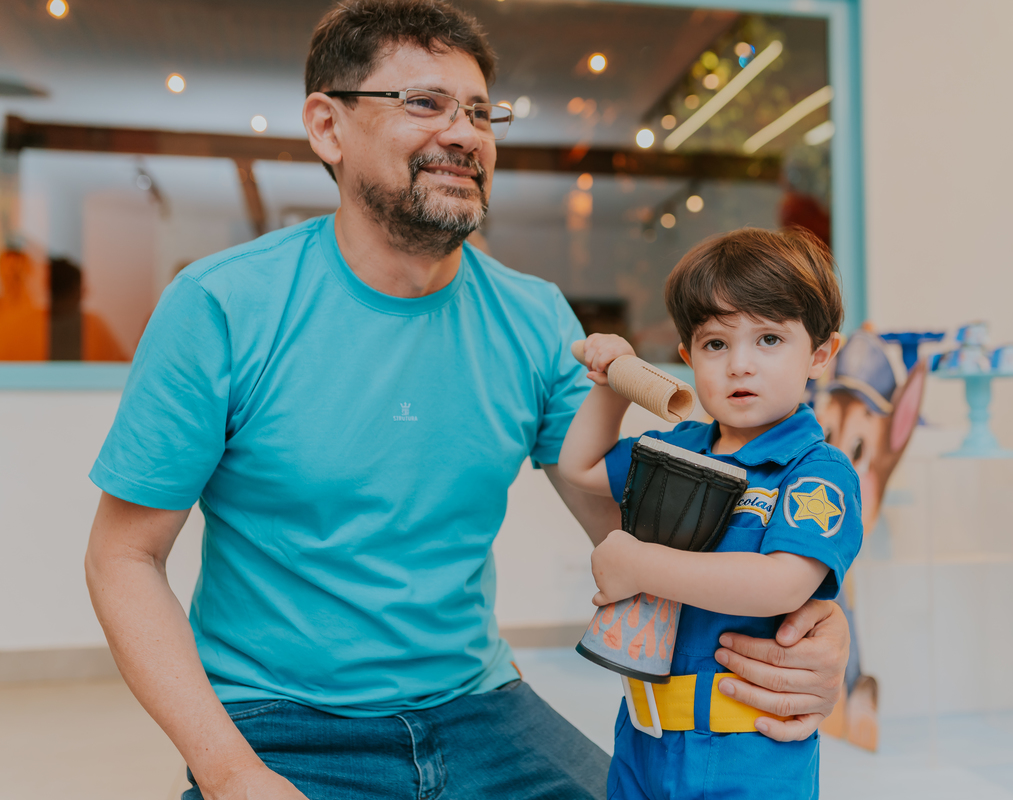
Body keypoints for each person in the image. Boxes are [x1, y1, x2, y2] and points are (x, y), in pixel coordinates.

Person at [83, 2, 853, 799]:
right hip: (280, 719)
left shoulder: (534, 318)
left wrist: (815, 624)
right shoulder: (222, 306)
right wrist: (228, 769)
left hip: (480, 708)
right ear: (327, 127)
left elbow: (639, 538)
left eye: (482, 112)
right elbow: (123, 558)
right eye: (425, 103)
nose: (465, 133)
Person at [559, 228, 863, 799]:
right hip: (644, 737)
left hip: (748, 752)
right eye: (715, 345)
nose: (739, 365)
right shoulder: (678, 446)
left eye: (769, 339)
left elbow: (779, 585)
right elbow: (581, 467)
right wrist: (612, 385)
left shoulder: (815, 473)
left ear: (820, 355)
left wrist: (639, 564)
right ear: (687, 356)